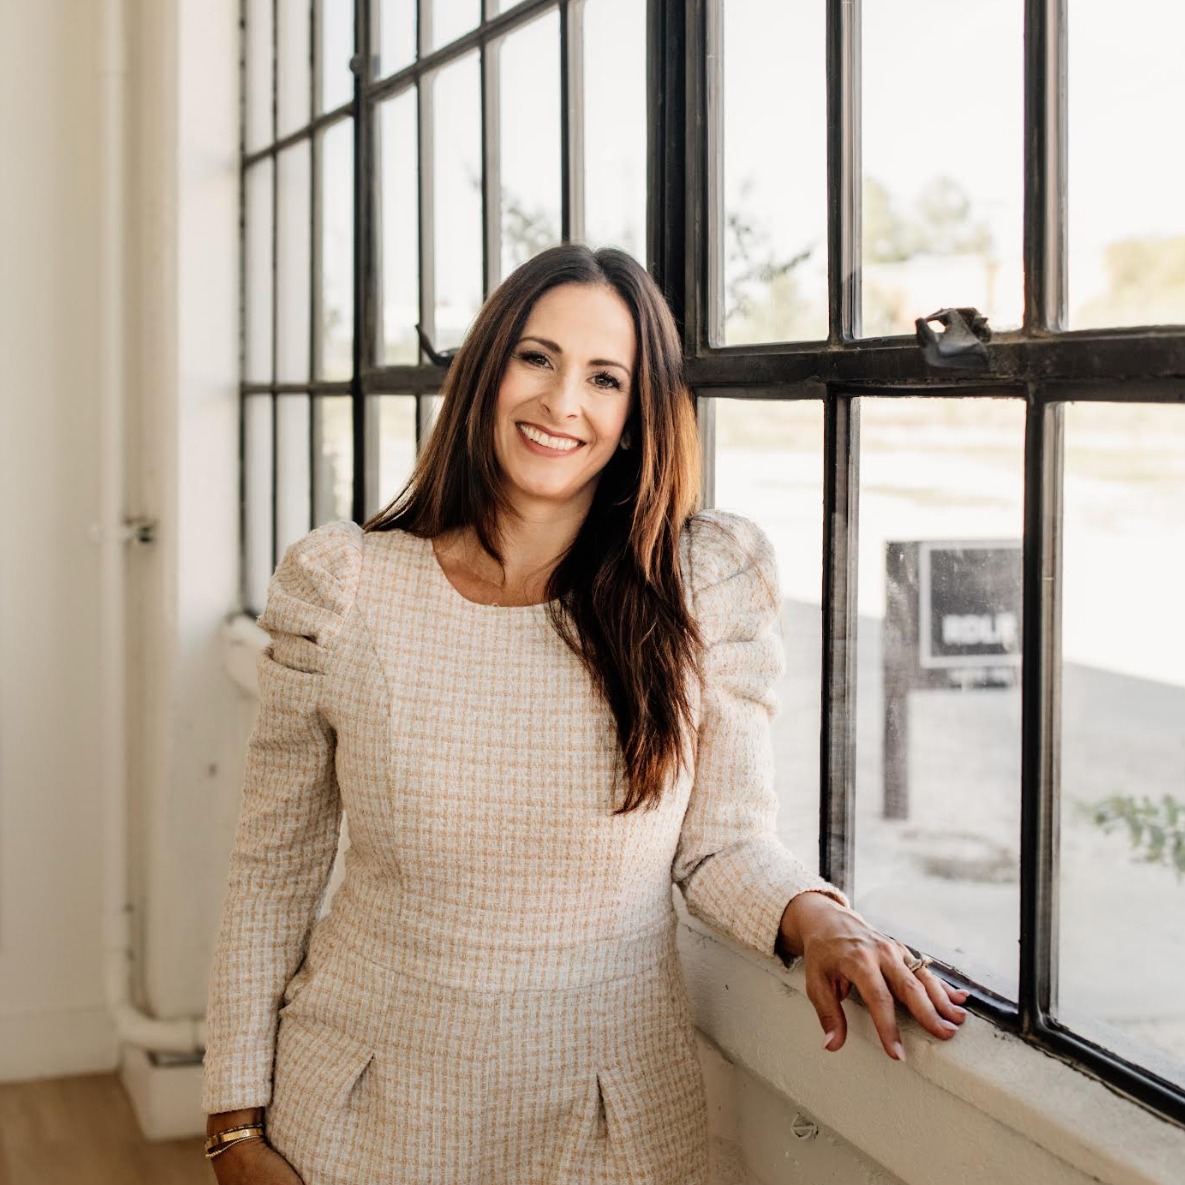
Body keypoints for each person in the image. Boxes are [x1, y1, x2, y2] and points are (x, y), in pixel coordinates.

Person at [201, 244, 968, 1184]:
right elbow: (272, 868)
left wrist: (821, 920)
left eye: (605, 378)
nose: (562, 402)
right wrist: (232, 1125)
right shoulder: (343, 584)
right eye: (536, 357)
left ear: (638, 415)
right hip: (358, 1111)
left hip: (610, 1121)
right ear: (486, 371)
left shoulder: (701, 583)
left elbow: (722, 844)